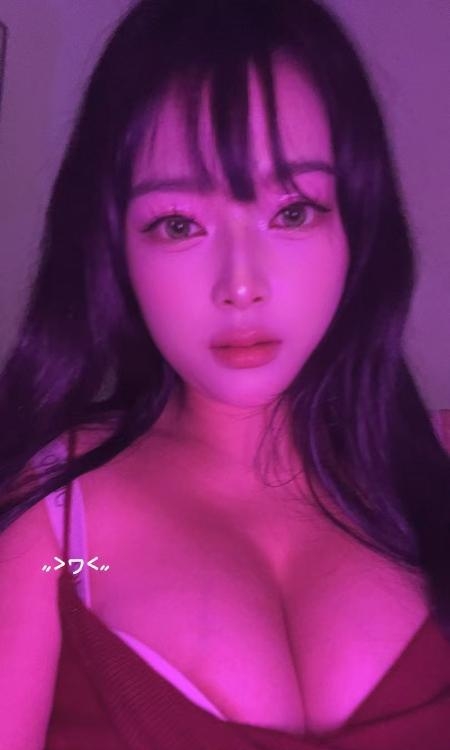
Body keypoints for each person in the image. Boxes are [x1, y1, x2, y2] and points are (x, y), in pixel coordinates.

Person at [1, 0, 449, 748]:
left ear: (357, 223)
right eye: (178, 224)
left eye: (293, 211)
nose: (241, 285)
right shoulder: (57, 528)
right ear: (114, 246)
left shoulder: (437, 466)